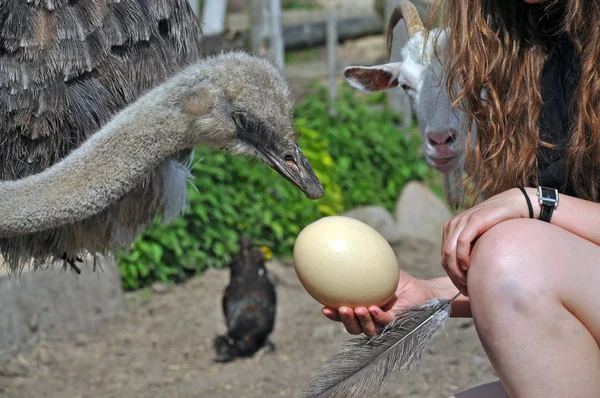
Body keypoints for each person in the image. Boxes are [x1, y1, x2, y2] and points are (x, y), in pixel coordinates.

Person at [322, 0, 600, 396]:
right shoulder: (533, 56)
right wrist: (429, 295)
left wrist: (538, 201)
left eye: (464, 83)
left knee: (508, 246)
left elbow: (523, 263)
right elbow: (548, 274)